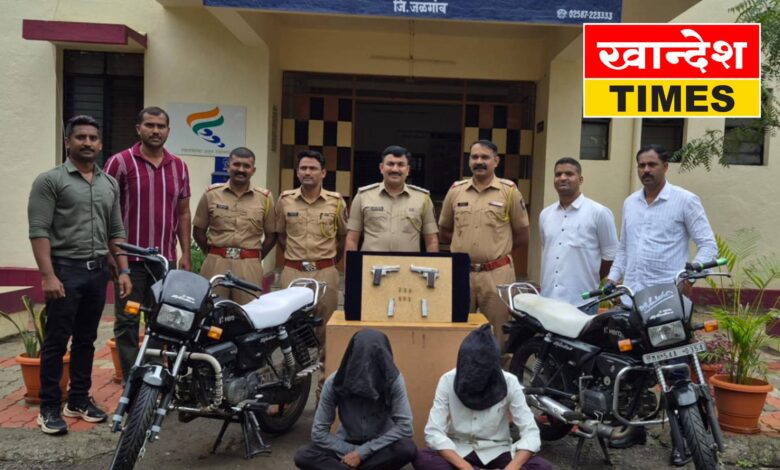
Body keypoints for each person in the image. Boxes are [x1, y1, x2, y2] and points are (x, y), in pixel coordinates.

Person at [606, 144, 718, 464]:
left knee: (676, 371)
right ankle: (635, 428)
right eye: (641, 165)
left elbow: (708, 246)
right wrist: (612, 280)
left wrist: (690, 277)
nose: (646, 170)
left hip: (668, 303)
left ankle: (687, 440)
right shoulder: (630, 203)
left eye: (652, 164)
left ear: (665, 166)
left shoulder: (684, 200)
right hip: (633, 300)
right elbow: (624, 248)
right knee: (633, 370)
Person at [28, 115, 133, 434]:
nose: (87, 143)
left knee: (86, 339)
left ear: (100, 144)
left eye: (93, 138)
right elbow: (39, 230)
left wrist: (124, 269)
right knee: (56, 340)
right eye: (80, 137)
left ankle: (78, 400)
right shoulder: (50, 181)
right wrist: (48, 275)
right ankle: (49, 407)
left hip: (97, 272)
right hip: (65, 271)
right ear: (67, 142)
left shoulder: (108, 183)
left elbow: (116, 230)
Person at [104, 106, 192, 383]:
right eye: (150, 125)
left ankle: (153, 379)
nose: (155, 131)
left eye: (161, 126)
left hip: (163, 263)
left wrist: (185, 254)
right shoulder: (119, 163)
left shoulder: (179, 166)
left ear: (168, 130)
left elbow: (183, 213)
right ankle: (133, 382)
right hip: (128, 262)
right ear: (138, 128)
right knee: (128, 322)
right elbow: (106, 210)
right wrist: (112, 255)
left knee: (163, 322)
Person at [414, 324, 551, 470]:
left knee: (542, 467)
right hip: (459, 449)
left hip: (497, 450)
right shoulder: (448, 380)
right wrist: (465, 467)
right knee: (422, 458)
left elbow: (531, 433)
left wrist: (511, 468)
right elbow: (434, 432)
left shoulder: (509, 382)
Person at [438, 140, 529, 349]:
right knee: (457, 330)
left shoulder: (509, 191)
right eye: (475, 157)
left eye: (485, 157)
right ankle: (458, 368)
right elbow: (444, 231)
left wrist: (496, 252)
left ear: (496, 161)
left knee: (500, 333)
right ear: (469, 160)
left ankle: (500, 369)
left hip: (497, 274)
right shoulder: (456, 190)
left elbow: (522, 236)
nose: (479, 161)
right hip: (461, 273)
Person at [294, 329, 417, 470]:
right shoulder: (334, 382)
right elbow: (319, 433)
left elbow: (405, 427)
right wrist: (352, 452)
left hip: (379, 447)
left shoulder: (393, 380)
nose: (367, 369)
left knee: (407, 448)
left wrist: (362, 453)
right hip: (345, 446)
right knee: (303, 455)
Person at [275, 150, 347, 393]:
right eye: (303, 168)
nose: (308, 172)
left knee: (325, 333)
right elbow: (280, 235)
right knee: (288, 332)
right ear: (297, 172)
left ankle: (323, 393)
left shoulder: (336, 202)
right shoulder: (285, 200)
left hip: (325, 273)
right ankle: (289, 394)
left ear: (323, 173)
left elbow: (342, 238)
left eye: (313, 168)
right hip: (293, 273)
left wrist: (325, 262)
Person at [193, 147, 277, 304]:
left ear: (253, 170)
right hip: (216, 263)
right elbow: (198, 231)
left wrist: (254, 257)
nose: (241, 170)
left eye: (246, 166)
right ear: (228, 166)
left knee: (248, 311)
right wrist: (212, 254)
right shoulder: (211, 194)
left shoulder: (264, 198)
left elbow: (272, 236)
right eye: (236, 164)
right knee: (212, 309)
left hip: (249, 264)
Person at [539, 157, 618, 313]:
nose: (562, 178)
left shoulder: (599, 213)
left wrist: (591, 277)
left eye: (569, 174)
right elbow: (548, 249)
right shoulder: (545, 214)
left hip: (582, 302)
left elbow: (610, 255)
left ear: (580, 179)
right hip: (548, 299)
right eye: (558, 174)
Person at [345, 145, 438, 253]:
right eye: (390, 164)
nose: (395, 169)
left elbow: (431, 241)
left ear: (408, 170)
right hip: (371, 263)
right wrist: (350, 264)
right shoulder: (363, 196)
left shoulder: (423, 199)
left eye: (400, 164)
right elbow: (351, 239)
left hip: (409, 263)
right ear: (381, 168)